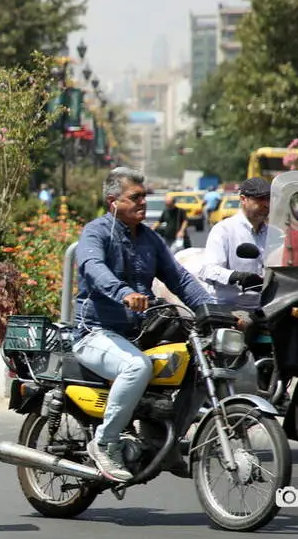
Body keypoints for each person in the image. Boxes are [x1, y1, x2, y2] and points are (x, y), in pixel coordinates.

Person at [73, 167, 215, 482]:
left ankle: (165, 442)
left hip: (139, 334)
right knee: (136, 367)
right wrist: (123, 293)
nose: (143, 202)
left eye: (144, 196)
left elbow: (179, 279)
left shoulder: (149, 238)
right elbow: (93, 266)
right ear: (112, 202)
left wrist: (214, 310)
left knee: (198, 365)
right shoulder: (95, 232)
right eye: (135, 197)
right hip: (95, 333)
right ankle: (105, 443)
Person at [198, 177, 281, 311]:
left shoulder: (276, 234)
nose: (266, 204)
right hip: (229, 308)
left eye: (269, 199)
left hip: (267, 308)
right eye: (260, 199)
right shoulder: (224, 230)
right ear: (243, 199)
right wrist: (236, 276)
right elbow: (207, 270)